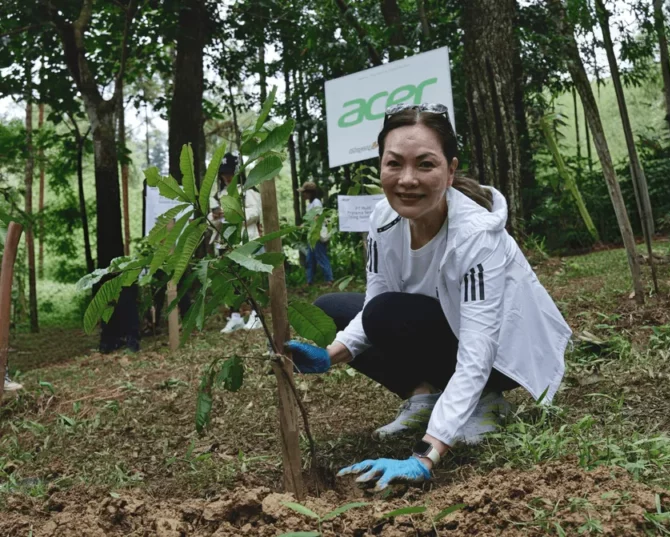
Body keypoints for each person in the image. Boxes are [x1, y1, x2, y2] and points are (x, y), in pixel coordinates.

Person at [285, 103, 572, 491]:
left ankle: (487, 402)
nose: (407, 180)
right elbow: (375, 299)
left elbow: (477, 348)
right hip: (441, 329)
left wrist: (426, 455)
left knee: (388, 313)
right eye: (394, 164)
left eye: (425, 165)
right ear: (381, 166)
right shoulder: (382, 220)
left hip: (502, 353)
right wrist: (330, 356)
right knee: (335, 309)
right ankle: (424, 398)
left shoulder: (475, 238)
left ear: (450, 170)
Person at [209, 152, 264, 333]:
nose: (226, 177)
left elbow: (255, 212)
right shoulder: (219, 195)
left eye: (230, 172)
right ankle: (235, 316)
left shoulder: (248, 190)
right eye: (224, 173)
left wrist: (233, 215)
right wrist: (215, 215)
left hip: (247, 240)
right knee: (231, 281)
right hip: (226, 243)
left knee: (252, 279)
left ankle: (256, 315)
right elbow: (213, 221)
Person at [298, 181, 333, 286]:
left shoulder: (316, 202)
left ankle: (329, 279)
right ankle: (309, 281)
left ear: (309, 193)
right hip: (311, 235)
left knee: (321, 256)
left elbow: (317, 217)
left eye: (304, 192)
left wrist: (306, 224)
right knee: (310, 258)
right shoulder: (310, 204)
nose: (303, 195)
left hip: (317, 234)